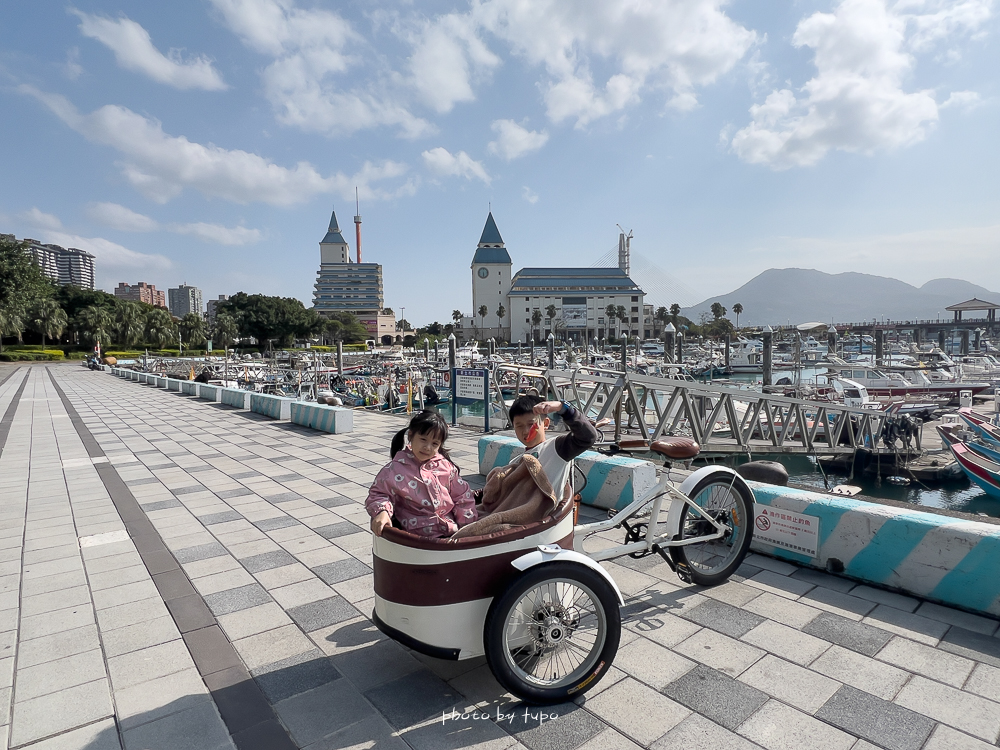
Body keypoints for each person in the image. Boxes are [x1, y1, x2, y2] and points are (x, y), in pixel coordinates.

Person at [366, 410, 478, 538]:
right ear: (411, 435)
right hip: (416, 537)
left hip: (450, 532)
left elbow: (462, 496)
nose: (428, 447)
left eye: (434, 443)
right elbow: (379, 494)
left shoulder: (446, 467)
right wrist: (382, 512)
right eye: (423, 439)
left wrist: (468, 527)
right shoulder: (394, 470)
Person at [507, 394, 599, 495]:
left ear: (546, 423)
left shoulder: (557, 448)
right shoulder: (515, 462)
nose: (525, 431)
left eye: (531, 424)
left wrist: (562, 407)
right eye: (519, 426)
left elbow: (588, 437)